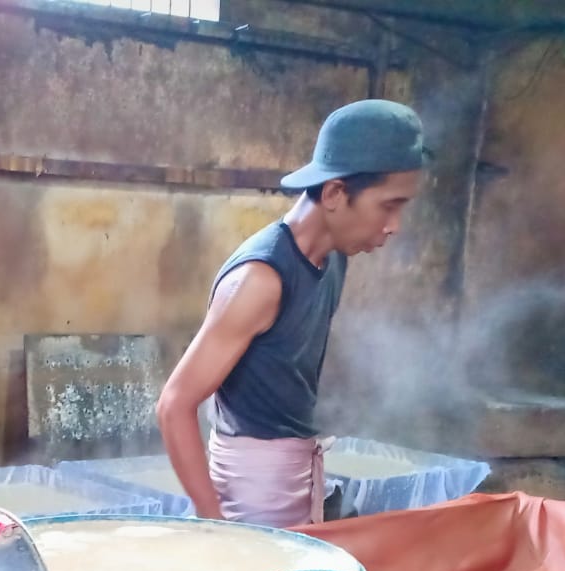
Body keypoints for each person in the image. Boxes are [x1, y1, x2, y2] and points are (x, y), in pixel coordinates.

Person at [156, 99, 428, 526]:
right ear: (336, 193)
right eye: (388, 206)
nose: (394, 225)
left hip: (297, 466)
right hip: (250, 484)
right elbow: (174, 404)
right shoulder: (260, 279)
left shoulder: (335, 257)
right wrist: (213, 521)